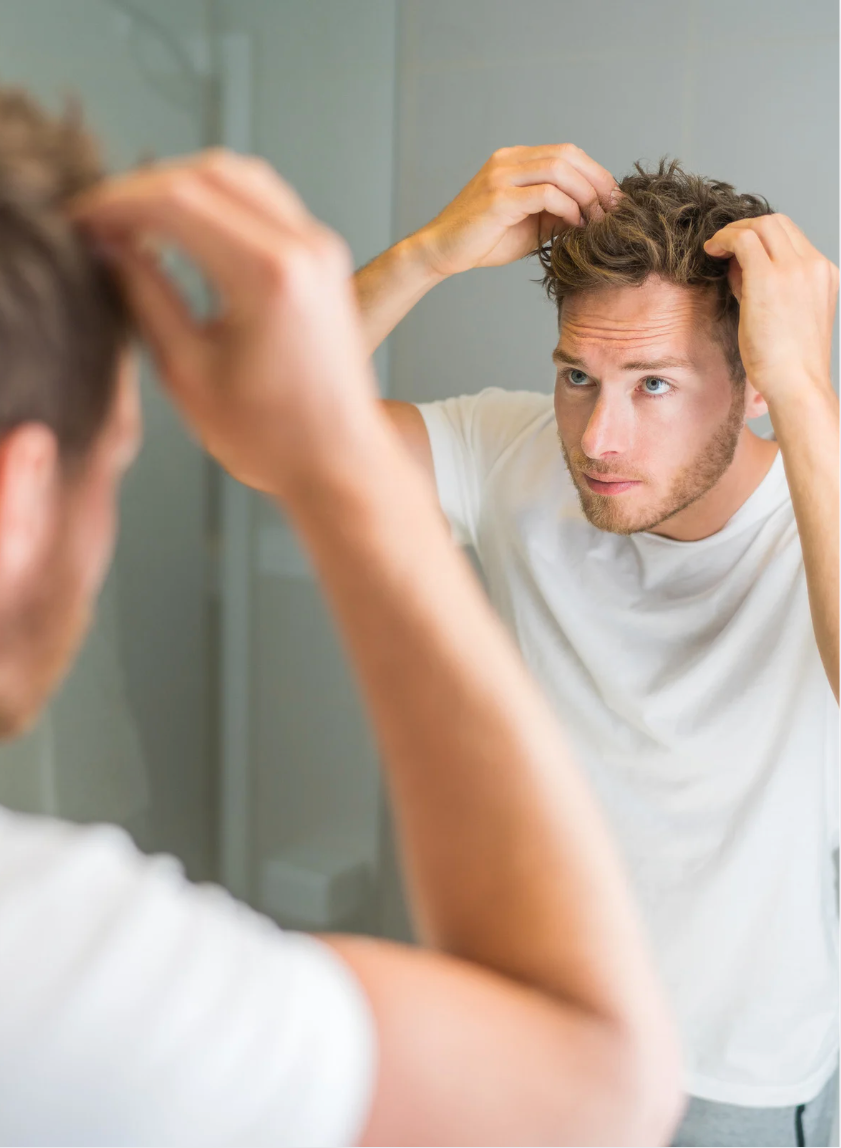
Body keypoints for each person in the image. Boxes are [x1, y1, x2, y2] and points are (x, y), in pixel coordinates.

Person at [0, 43, 682, 1148]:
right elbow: (600, 1083)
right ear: (18, 494)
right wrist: (341, 428)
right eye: (120, 451)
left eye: (654, 383)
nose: (602, 435)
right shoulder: (6, 973)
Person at [356, 144, 840, 1146]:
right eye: (579, 376)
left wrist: (802, 383)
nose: (597, 438)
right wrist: (424, 254)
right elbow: (259, 436)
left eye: (652, 384)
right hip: (532, 1047)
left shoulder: (817, 502)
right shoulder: (512, 454)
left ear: (751, 385)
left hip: (729, 1084)